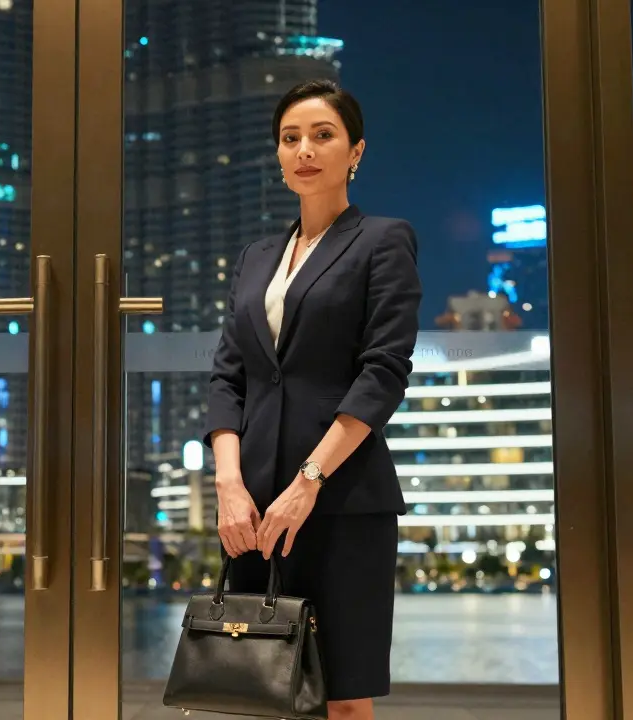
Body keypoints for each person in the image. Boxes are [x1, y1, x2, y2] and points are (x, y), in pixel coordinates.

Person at [203, 79, 422, 720]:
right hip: (251, 505)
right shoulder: (256, 257)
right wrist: (227, 483)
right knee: (259, 686)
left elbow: (383, 372)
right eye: (290, 138)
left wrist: (309, 479)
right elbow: (228, 376)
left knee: (342, 694)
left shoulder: (383, 240)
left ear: (355, 151)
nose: (305, 150)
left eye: (322, 136)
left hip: (341, 497)